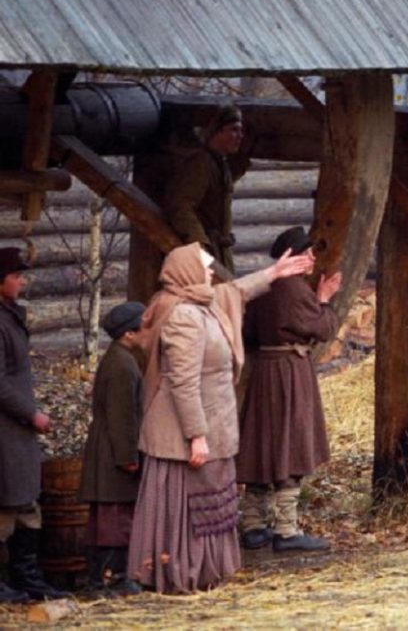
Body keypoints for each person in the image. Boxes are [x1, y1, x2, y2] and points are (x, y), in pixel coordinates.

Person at [127, 242, 314, 594]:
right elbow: (183, 381)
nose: (211, 272)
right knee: (190, 505)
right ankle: (183, 573)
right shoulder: (182, 315)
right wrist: (196, 434)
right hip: (185, 430)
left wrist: (273, 274)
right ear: (187, 272)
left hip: (212, 419)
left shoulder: (200, 302)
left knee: (211, 498)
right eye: (205, 266)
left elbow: (235, 291)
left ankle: (205, 570)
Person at [237, 227, 342, 553]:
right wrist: (323, 301)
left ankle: (254, 526)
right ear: (294, 258)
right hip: (289, 374)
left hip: (264, 371)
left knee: (261, 443)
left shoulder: (264, 287)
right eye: (308, 254)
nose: (312, 259)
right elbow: (322, 328)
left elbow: (249, 334)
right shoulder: (294, 289)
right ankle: (286, 530)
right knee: (290, 443)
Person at [0, 247, 69, 603]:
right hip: (6, 430)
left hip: (17, 430)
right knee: (6, 504)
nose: (22, 282)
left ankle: (26, 578)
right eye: (16, 276)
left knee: (25, 502)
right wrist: (31, 413)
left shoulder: (9, 316)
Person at [79, 301, 147, 596]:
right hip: (112, 452)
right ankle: (111, 578)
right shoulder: (122, 364)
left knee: (110, 517)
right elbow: (123, 416)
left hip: (108, 448)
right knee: (114, 518)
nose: (147, 332)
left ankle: (105, 578)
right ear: (129, 334)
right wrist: (128, 457)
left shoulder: (120, 358)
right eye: (142, 327)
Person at [164, 104, 251, 274]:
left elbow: (220, 189)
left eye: (241, 131)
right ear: (217, 131)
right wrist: (199, 243)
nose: (239, 136)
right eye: (234, 130)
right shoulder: (200, 164)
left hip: (219, 251)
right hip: (206, 254)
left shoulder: (218, 163)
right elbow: (180, 204)